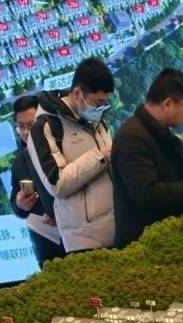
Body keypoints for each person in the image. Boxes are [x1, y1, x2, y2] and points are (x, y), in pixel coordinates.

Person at [112, 69, 183, 248]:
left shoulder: (164, 135)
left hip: (171, 239)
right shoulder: (132, 137)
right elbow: (147, 194)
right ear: (168, 103)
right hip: (144, 245)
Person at [28, 57, 115, 253]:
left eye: (105, 103)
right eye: (98, 102)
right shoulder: (46, 127)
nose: (101, 108)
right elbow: (57, 184)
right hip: (85, 241)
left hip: (116, 228)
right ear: (77, 93)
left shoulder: (96, 119)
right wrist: (100, 157)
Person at [9, 95, 65, 267]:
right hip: (46, 246)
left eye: (31, 125)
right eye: (21, 126)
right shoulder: (19, 161)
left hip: (75, 234)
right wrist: (20, 205)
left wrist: (60, 216)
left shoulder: (62, 148)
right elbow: (15, 203)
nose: (26, 132)